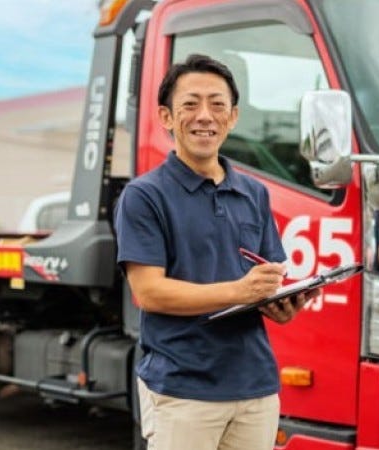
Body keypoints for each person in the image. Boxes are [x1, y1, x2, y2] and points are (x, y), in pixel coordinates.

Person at [114, 53, 321, 450]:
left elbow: (266, 278)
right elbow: (150, 292)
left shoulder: (254, 193)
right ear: (166, 117)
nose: (205, 116)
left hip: (255, 388)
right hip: (183, 389)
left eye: (217, 104)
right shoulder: (145, 196)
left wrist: (281, 304)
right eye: (190, 104)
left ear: (233, 117)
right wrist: (240, 291)